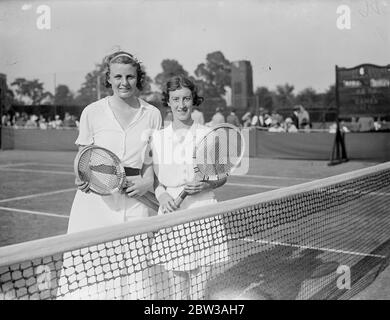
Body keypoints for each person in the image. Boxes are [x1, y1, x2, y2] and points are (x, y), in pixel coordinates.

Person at [59, 51, 162, 300]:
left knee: (138, 273)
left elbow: (152, 159)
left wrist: (147, 181)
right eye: (118, 76)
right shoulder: (92, 112)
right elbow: (84, 156)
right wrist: (81, 176)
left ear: (139, 79)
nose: (123, 82)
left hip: (137, 202)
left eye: (130, 76)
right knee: (92, 269)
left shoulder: (152, 114)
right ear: (109, 78)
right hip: (96, 203)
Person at [150, 76, 228, 299]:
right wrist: (162, 195)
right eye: (176, 99)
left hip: (203, 209)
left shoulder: (208, 134)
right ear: (168, 101)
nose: (181, 105)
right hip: (171, 211)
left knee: (198, 288)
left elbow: (222, 176)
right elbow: (155, 179)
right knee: (177, 289)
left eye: (186, 98)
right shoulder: (157, 137)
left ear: (194, 100)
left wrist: (206, 183)